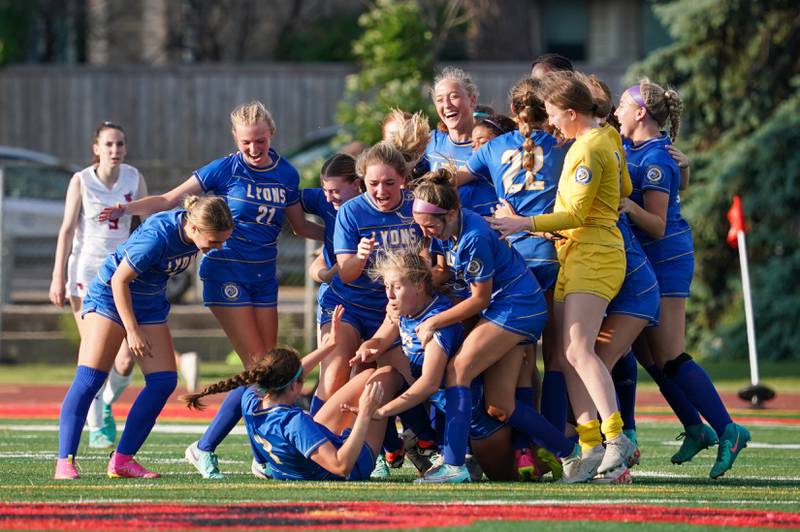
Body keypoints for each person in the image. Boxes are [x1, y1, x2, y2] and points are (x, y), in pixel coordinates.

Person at [100, 101, 323, 479]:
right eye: (247, 142)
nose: (254, 149)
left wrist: (348, 233)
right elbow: (171, 201)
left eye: (261, 141)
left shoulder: (286, 173)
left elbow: (300, 227)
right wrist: (126, 209)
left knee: (271, 371)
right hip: (226, 275)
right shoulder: (225, 167)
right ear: (236, 140)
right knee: (261, 369)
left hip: (264, 276)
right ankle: (212, 449)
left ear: (272, 135)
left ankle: (244, 452)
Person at [489, 71, 636, 483]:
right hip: (575, 254)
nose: (549, 122)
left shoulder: (587, 149)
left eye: (553, 114)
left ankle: (615, 438)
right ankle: (589, 445)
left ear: (572, 112)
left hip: (595, 256)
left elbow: (576, 214)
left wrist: (521, 223)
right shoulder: (605, 137)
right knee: (566, 354)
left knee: (579, 350)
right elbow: (622, 184)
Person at [615, 79, 750, 478]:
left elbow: (657, 224)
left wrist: (626, 206)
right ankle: (695, 427)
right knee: (646, 355)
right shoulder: (636, 148)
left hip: (665, 258)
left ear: (641, 112)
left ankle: (729, 430)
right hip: (643, 260)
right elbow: (676, 188)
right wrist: (683, 170)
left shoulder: (655, 157)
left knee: (671, 356)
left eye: (623, 104)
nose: (617, 111)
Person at [411, 170, 575, 483]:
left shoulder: (473, 237)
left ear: (452, 213)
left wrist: (433, 320)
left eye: (430, 225)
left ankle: (454, 465)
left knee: (457, 371)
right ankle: (570, 454)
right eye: (420, 226)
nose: (427, 233)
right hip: (511, 307)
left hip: (517, 308)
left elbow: (478, 298)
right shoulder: (454, 230)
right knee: (501, 405)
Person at [54, 196, 233, 479]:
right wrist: (132, 330)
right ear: (195, 228)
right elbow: (119, 280)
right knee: (90, 379)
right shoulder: (157, 237)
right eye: (214, 242)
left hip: (149, 304)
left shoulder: (197, 232)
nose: (218, 247)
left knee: (163, 382)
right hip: (110, 299)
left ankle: (122, 461)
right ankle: (65, 461)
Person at [183, 305, 402, 481]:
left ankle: (396, 444)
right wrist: (364, 414)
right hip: (349, 465)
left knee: (366, 376)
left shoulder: (252, 399)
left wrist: (328, 347)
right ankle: (401, 446)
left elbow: (292, 371)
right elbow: (340, 466)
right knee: (387, 375)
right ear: (294, 386)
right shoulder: (293, 421)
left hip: (288, 468)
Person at [50, 122, 147, 449]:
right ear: (96, 148)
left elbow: (147, 220)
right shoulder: (81, 181)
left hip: (122, 274)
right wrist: (57, 277)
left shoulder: (134, 178)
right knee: (94, 355)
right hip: (86, 274)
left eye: (120, 144)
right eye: (108, 145)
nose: (115, 150)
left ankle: (104, 403)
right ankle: (96, 423)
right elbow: (66, 230)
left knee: (125, 359)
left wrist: (128, 209)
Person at [302, 153, 362, 347]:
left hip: (374, 300)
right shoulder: (324, 201)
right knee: (331, 369)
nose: (328, 198)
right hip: (338, 297)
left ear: (356, 184)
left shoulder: (373, 207)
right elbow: (284, 197)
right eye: (325, 190)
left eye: (335, 191)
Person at [424, 67, 497, 217]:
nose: (447, 105)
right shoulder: (431, 142)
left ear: (472, 100)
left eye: (453, 96)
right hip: (443, 236)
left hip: (486, 232)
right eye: (440, 100)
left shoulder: (490, 145)